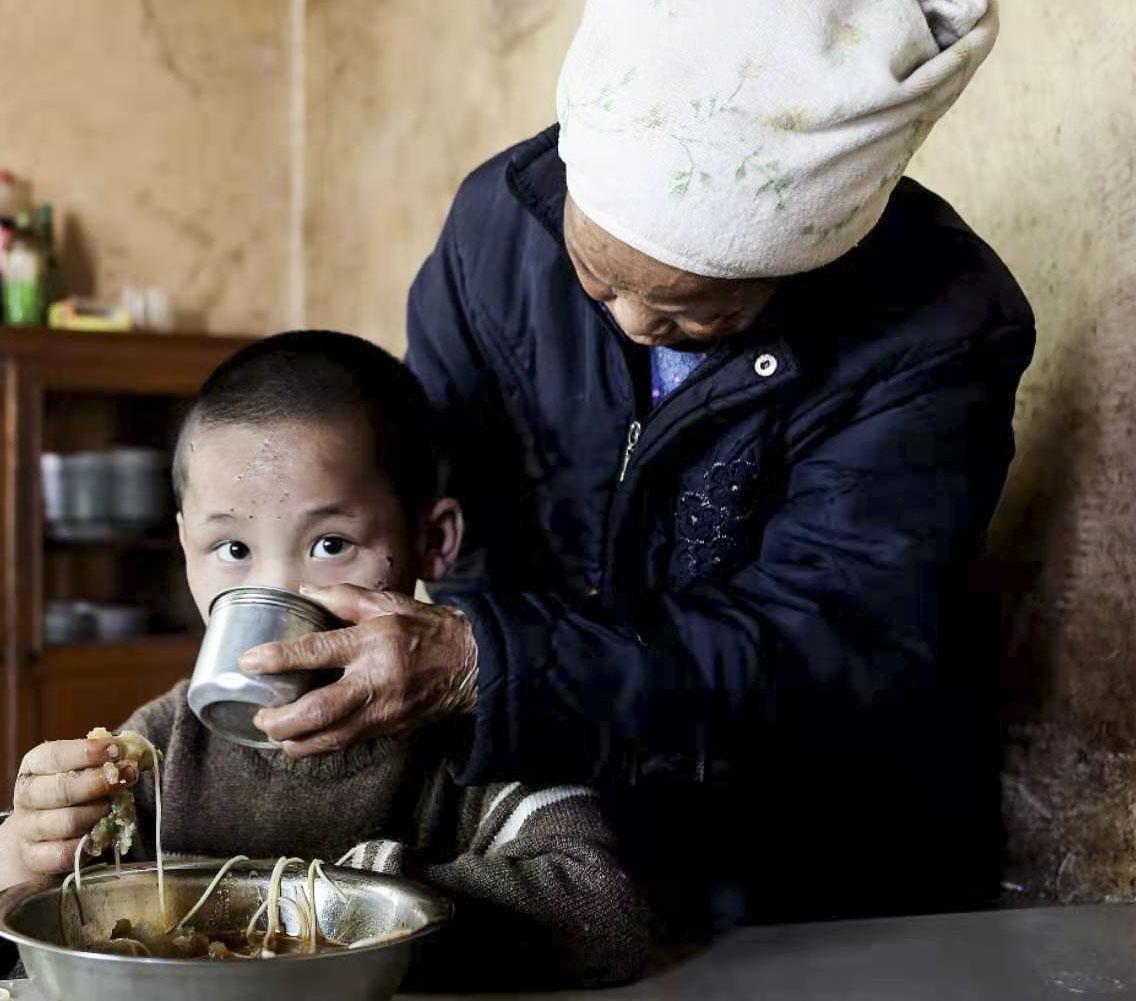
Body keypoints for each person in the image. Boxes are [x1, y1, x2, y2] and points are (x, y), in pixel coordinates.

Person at [240, 0, 1034, 926]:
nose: (625, 320)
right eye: (597, 274)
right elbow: (431, 500)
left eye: (695, 313)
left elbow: (832, 643)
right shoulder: (498, 231)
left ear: (809, 250)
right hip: (552, 826)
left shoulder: (938, 326)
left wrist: (485, 664)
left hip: (806, 851)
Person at [0, 332, 647, 989]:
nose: (275, 588)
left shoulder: (471, 731)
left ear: (433, 541)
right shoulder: (160, 748)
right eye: (231, 549)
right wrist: (14, 857)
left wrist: (358, 899)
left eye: (330, 544)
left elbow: (609, 915)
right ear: (184, 545)